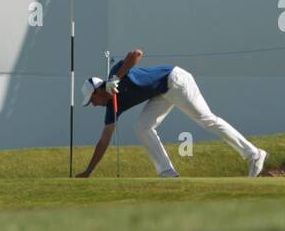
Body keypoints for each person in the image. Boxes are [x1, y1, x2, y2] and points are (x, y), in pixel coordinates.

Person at [79, 49, 266, 179]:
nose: (94, 105)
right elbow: (104, 140)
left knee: (207, 120)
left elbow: (137, 53)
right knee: (142, 127)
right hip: (162, 93)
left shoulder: (114, 74)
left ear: (98, 90)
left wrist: (115, 78)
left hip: (175, 80)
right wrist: (88, 171)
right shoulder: (111, 106)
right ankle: (167, 173)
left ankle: (254, 154)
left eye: (92, 100)